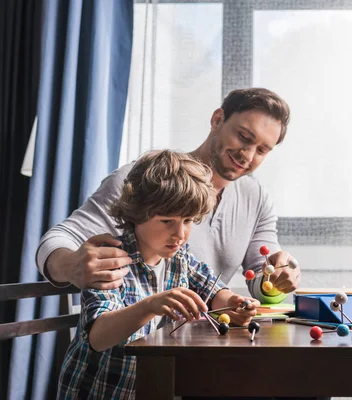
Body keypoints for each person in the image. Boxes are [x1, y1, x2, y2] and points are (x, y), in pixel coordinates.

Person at [36, 88, 300, 304]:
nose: (248, 155)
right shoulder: (146, 179)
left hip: (204, 345)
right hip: (141, 347)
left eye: (263, 150)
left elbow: (261, 283)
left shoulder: (257, 199)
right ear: (217, 120)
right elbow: (57, 240)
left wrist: (279, 278)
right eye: (243, 136)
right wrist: (70, 265)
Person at [57, 150, 260, 399]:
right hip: (99, 392)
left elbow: (215, 292)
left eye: (187, 221)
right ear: (137, 213)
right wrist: (151, 305)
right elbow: (98, 337)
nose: (180, 234)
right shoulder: (109, 260)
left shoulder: (180, 257)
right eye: (167, 221)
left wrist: (235, 304)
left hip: (149, 387)